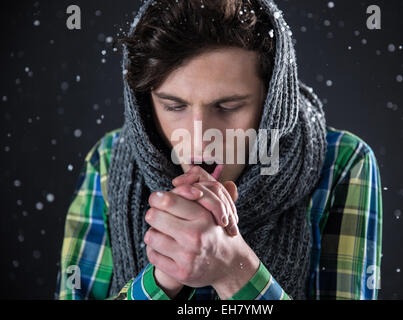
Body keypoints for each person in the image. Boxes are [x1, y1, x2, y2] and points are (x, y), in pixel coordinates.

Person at [57, 0, 382, 300]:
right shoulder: (108, 160)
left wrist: (234, 269)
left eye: (228, 106)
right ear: (145, 104)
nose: (200, 140)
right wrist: (161, 281)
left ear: (272, 99)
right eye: (174, 106)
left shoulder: (343, 164)